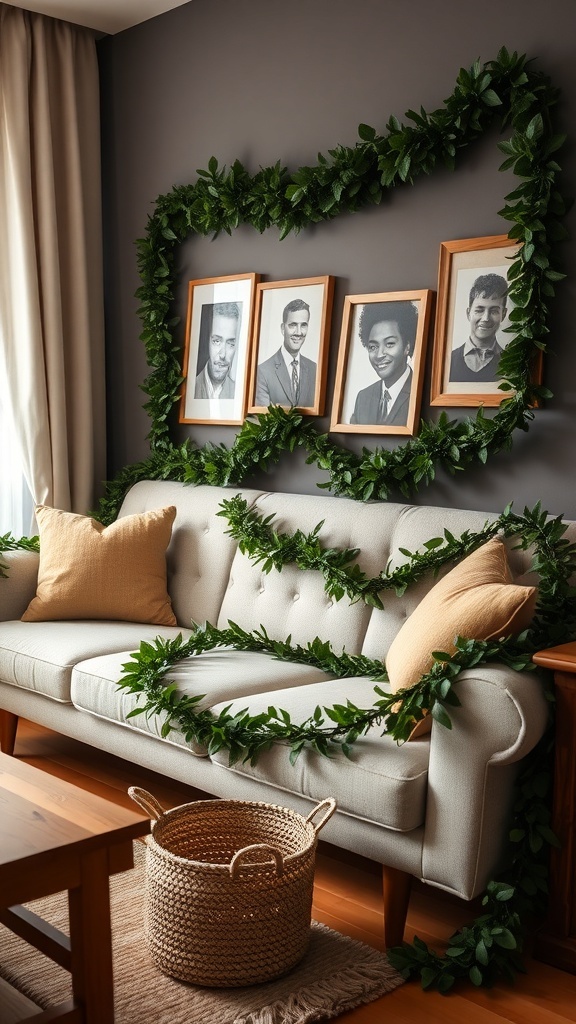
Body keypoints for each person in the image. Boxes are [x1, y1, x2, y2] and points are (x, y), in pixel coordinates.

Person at [350, 300, 418, 426]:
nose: (379, 355)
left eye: (390, 344)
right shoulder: (363, 398)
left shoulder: (420, 393)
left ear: (407, 347)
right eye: (373, 347)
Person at [255, 298, 316, 407]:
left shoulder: (315, 370)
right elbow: (264, 418)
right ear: (283, 328)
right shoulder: (263, 371)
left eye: (303, 325)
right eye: (293, 325)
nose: (298, 332)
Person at [449, 273, 508, 383]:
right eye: (479, 310)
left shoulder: (511, 363)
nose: (486, 318)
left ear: (503, 314)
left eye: (494, 311)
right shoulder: (448, 361)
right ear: (468, 313)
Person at [194, 301, 241, 399]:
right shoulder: (191, 387)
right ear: (207, 341)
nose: (223, 354)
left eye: (231, 344)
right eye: (216, 341)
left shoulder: (239, 394)